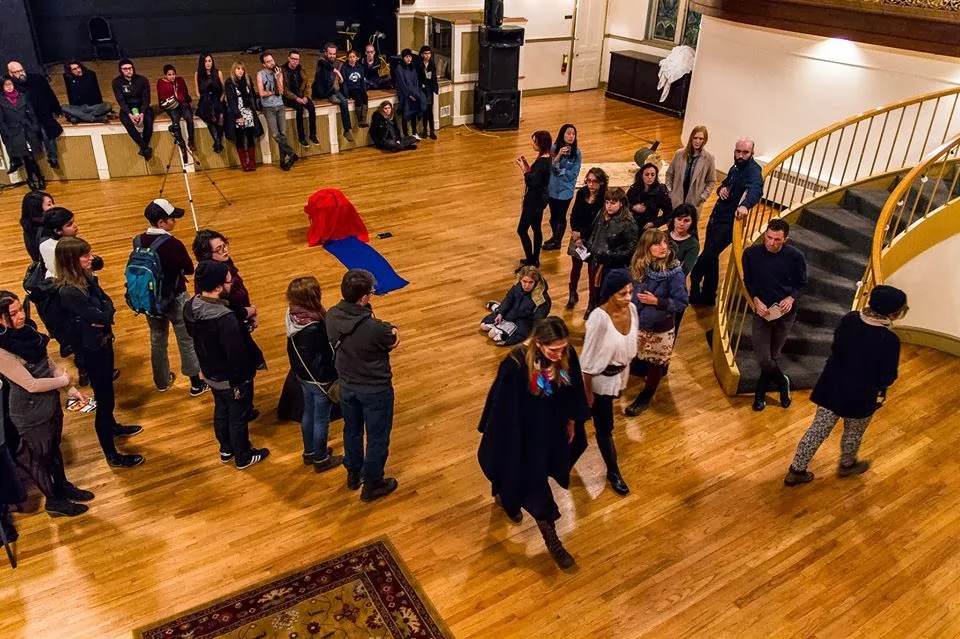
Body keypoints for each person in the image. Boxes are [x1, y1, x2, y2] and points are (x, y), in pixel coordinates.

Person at [477, 317, 589, 569]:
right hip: (522, 436)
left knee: (531, 475)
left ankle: (505, 496)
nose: (559, 354)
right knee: (533, 484)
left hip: (552, 429)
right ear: (538, 342)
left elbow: (572, 388)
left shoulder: (565, 353)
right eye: (553, 350)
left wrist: (572, 420)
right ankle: (552, 540)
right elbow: (501, 407)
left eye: (562, 348)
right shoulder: (515, 364)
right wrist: (505, 443)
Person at [784, 285, 907, 486]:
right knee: (853, 433)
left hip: (831, 387)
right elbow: (888, 376)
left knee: (817, 430)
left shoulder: (850, 319)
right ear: (893, 313)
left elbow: (836, 347)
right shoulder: (889, 340)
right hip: (861, 396)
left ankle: (796, 470)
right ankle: (847, 465)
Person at [0, 292, 93, 517]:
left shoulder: (28, 331)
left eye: (20, 309)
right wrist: (63, 381)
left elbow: (48, 362)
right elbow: (30, 384)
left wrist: (70, 389)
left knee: (53, 448)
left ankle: (62, 486)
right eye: (13, 313)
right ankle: (54, 501)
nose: (21, 316)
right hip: (30, 411)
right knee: (39, 459)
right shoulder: (2, 350)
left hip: (49, 402)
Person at [56, 237, 144, 468]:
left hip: (102, 342)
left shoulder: (85, 278)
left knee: (108, 394)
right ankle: (111, 454)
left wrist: (102, 314)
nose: (91, 258)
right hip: (91, 350)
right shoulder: (69, 292)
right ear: (71, 261)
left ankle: (112, 426)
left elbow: (107, 304)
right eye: (85, 255)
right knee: (104, 401)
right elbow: (101, 315)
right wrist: (102, 315)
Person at [184, 261, 269, 470]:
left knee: (221, 410)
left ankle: (226, 449)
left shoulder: (191, 306)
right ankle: (243, 456)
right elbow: (236, 354)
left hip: (210, 372)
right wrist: (242, 379)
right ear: (218, 287)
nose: (232, 285)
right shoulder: (225, 320)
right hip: (231, 378)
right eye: (229, 282)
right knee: (238, 417)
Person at [325, 269, 400, 503]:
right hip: (375, 389)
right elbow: (393, 340)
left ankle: (353, 472)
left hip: (347, 386)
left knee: (352, 430)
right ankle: (373, 483)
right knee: (377, 437)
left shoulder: (331, 315)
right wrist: (393, 331)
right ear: (364, 297)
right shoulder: (375, 328)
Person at [135, 199, 207, 396]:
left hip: (150, 299)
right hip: (175, 298)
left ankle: (161, 381)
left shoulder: (138, 240)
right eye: (172, 219)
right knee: (186, 340)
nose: (175, 221)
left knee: (157, 339)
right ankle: (196, 384)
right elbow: (189, 269)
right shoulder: (173, 244)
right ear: (161, 222)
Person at [192, 229, 262, 420]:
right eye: (219, 249)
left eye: (225, 245)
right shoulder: (212, 277)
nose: (225, 251)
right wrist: (251, 311)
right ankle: (242, 411)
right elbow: (231, 307)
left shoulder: (222, 266)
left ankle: (242, 408)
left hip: (237, 322)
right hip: (230, 330)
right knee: (242, 371)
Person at [580, 268, 638, 496]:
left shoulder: (632, 309)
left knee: (598, 421)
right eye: (622, 293)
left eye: (630, 291)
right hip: (599, 382)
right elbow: (586, 363)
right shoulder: (599, 318)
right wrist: (588, 393)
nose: (628, 297)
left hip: (618, 375)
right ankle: (613, 472)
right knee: (604, 428)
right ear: (610, 293)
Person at [742, 218, 807, 411]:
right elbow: (748, 281)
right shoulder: (751, 254)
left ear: (785, 239)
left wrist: (791, 298)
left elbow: (802, 285)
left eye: (777, 239)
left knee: (773, 355)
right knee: (764, 358)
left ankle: (760, 392)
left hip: (785, 314)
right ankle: (781, 381)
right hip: (762, 312)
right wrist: (755, 299)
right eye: (769, 237)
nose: (771, 243)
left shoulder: (796, 256)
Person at [689, 138, 763, 306]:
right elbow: (725, 184)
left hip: (728, 224)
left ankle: (695, 284)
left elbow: (756, 190)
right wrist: (721, 189)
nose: (740, 155)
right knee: (712, 257)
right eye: (738, 151)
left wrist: (745, 205)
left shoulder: (753, 171)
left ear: (752, 153)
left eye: (745, 152)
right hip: (716, 218)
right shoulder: (735, 167)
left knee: (706, 257)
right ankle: (709, 295)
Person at [624, 230, 689, 415]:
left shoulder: (675, 274)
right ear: (646, 247)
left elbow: (682, 303)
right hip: (637, 322)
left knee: (655, 364)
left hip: (659, 328)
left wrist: (657, 301)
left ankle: (646, 397)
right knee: (630, 356)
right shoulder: (640, 265)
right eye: (657, 243)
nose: (663, 247)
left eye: (664, 243)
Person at [285, 276, 342, 473]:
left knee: (308, 413)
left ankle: (309, 452)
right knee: (321, 419)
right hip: (320, 378)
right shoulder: (314, 326)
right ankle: (321, 458)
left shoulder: (292, 314)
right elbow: (327, 354)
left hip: (302, 374)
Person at [585, 187, 639, 317]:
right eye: (607, 202)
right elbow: (594, 232)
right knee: (594, 291)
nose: (609, 206)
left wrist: (610, 256)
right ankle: (593, 310)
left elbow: (631, 249)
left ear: (621, 203)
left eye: (613, 203)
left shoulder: (628, 223)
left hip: (613, 267)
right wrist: (590, 247)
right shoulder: (602, 214)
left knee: (608, 296)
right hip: (596, 261)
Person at [7, 61, 62, 170]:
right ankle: (21, 163)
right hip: (26, 118)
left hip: (43, 114)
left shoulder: (37, 79)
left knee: (48, 134)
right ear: (10, 73)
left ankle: (52, 158)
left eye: (21, 70)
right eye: (17, 72)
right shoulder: (11, 85)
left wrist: (56, 109)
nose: (21, 73)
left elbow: (49, 93)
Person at [566, 167, 607, 309]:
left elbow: (598, 224)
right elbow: (574, 214)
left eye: (594, 181)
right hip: (577, 236)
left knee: (592, 273)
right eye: (588, 180)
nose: (591, 184)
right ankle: (572, 294)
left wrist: (581, 235)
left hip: (592, 239)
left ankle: (591, 302)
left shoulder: (604, 199)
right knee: (575, 268)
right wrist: (575, 234)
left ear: (601, 182)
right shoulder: (582, 193)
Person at [480, 266, 552, 346]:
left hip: (524, 322)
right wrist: (500, 313)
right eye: (524, 281)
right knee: (483, 326)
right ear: (520, 279)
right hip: (511, 313)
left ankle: (496, 307)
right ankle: (498, 308)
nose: (527, 285)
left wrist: (533, 335)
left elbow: (538, 320)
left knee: (492, 334)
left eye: (531, 282)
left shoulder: (542, 299)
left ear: (536, 282)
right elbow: (509, 299)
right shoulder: (517, 286)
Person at [0, 75, 45, 190]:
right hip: (14, 132)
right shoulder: (1, 101)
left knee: (30, 156)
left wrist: (34, 126)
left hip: (28, 129)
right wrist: (7, 133)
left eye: (10, 84)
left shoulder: (22, 96)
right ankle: (35, 178)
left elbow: (31, 113)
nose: (9, 87)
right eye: (6, 85)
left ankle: (35, 178)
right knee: (26, 157)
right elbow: (1, 121)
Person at [516, 130, 553, 268]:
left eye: (535, 142)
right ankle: (535, 259)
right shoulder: (546, 158)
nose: (533, 144)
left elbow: (532, 182)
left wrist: (524, 170)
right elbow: (537, 176)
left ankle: (531, 260)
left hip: (533, 201)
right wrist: (527, 166)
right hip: (540, 199)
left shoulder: (542, 162)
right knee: (536, 228)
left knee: (522, 230)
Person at [543, 124, 582, 251]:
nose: (571, 136)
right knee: (553, 217)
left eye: (573, 134)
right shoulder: (554, 148)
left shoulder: (577, 153)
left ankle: (557, 241)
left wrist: (559, 171)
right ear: (562, 134)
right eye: (568, 133)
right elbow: (551, 166)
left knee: (561, 217)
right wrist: (559, 155)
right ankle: (554, 237)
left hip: (566, 191)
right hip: (552, 188)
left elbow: (573, 174)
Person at [257, 52, 299, 170]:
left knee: (283, 134)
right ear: (264, 64)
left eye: (272, 60)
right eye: (268, 62)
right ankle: (291, 153)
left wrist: (277, 77)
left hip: (280, 106)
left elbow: (280, 91)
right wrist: (272, 92)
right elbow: (261, 93)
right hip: (268, 107)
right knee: (276, 135)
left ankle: (283, 161)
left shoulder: (279, 72)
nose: (271, 63)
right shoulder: (260, 74)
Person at [664, 125, 717, 212]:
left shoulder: (709, 158)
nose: (697, 141)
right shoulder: (679, 154)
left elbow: (711, 181)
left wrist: (703, 197)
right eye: (695, 138)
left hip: (694, 202)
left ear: (705, 140)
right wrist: (670, 191)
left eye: (701, 139)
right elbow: (669, 174)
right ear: (691, 138)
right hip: (676, 199)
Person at [667, 204, 700, 334]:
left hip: (674, 287)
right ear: (673, 219)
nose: (682, 224)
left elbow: (684, 270)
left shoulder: (693, 244)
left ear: (692, 223)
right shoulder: (663, 236)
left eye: (686, 220)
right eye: (679, 219)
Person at [223, 61, 263, 172]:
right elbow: (231, 100)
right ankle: (244, 163)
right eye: (238, 69)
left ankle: (252, 162)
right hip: (237, 113)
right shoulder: (229, 82)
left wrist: (256, 107)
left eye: (242, 69)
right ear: (234, 70)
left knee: (250, 137)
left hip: (248, 112)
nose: (240, 71)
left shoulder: (247, 80)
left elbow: (252, 95)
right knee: (239, 138)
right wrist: (238, 116)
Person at [112, 59, 154, 159]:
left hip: (141, 106)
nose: (128, 71)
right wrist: (129, 114)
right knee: (128, 124)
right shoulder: (117, 82)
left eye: (130, 68)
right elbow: (121, 100)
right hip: (128, 108)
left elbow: (146, 99)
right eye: (125, 69)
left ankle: (144, 147)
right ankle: (145, 148)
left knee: (149, 121)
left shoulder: (142, 80)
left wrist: (142, 113)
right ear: (121, 70)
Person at [312, 43, 355, 143]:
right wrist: (337, 71)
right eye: (330, 53)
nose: (332, 56)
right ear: (326, 53)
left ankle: (347, 130)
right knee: (325, 72)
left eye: (334, 54)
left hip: (330, 89)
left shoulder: (337, 63)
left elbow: (340, 79)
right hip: (320, 91)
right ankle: (331, 97)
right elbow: (325, 65)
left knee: (344, 101)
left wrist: (341, 82)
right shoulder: (321, 61)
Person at [281, 50, 319, 147]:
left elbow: (307, 84)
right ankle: (301, 137)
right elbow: (284, 90)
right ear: (289, 58)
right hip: (289, 97)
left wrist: (306, 96)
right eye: (293, 59)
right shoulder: (283, 71)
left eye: (297, 59)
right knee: (299, 108)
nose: (295, 61)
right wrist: (296, 98)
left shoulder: (301, 69)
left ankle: (313, 135)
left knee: (311, 107)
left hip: (301, 94)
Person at [156, 64, 196, 152]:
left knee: (189, 119)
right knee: (176, 123)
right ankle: (181, 143)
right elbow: (161, 97)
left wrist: (185, 99)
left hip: (183, 103)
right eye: (169, 75)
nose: (172, 76)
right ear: (165, 75)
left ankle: (191, 141)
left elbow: (185, 93)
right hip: (172, 106)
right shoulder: (161, 82)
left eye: (173, 74)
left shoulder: (180, 80)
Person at [194, 53, 226, 153]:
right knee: (208, 117)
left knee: (220, 117)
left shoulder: (218, 73)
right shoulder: (198, 74)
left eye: (209, 61)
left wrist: (221, 99)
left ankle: (217, 142)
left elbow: (223, 90)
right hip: (205, 101)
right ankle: (218, 142)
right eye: (205, 61)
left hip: (217, 99)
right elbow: (197, 91)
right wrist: (202, 99)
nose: (208, 63)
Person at [627, 162, 672, 231]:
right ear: (642, 176)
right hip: (632, 226)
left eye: (652, 175)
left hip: (649, 228)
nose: (650, 177)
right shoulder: (634, 189)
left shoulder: (660, 192)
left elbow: (669, 213)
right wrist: (633, 207)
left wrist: (654, 223)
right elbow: (623, 204)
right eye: (647, 174)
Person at [392, 49, 421, 139]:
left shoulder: (413, 67)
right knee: (405, 114)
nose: (408, 59)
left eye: (410, 57)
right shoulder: (399, 68)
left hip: (413, 93)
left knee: (414, 114)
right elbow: (402, 84)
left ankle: (414, 132)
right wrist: (409, 95)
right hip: (404, 95)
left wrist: (415, 93)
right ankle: (405, 135)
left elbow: (416, 81)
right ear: (403, 58)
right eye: (406, 57)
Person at [20, 190, 53, 262]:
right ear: (37, 210)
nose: (53, 207)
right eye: (49, 204)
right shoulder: (45, 231)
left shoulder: (29, 224)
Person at [414, 45, 438, 140]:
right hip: (422, 89)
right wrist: (421, 85)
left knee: (430, 111)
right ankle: (424, 130)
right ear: (421, 54)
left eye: (429, 53)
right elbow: (417, 78)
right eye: (425, 53)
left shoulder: (432, 64)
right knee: (424, 110)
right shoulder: (418, 64)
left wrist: (435, 88)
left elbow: (434, 77)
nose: (427, 55)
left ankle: (432, 131)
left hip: (430, 89)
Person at [341, 50, 369, 129]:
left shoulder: (359, 67)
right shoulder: (344, 68)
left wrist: (364, 91)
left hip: (358, 87)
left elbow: (362, 80)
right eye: (350, 57)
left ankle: (363, 119)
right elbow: (344, 83)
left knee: (365, 97)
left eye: (354, 57)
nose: (352, 59)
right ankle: (359, 120)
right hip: (350, 89)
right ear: (347, 58)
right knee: (358, 98)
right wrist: (346, 95)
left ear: (357, 58)